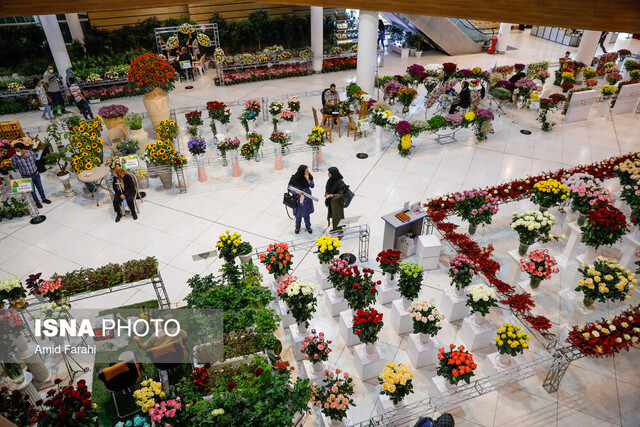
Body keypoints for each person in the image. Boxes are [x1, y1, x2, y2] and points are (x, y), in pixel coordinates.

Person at [133, 312, 187, 391]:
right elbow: (185, 338)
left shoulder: (155, 336)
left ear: (162, 323)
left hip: (161, 364)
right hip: (179, 359)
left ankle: (166, 385)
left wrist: (138, 340)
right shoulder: (180, 332)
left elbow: (144, 348)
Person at [11, 142, 51, 208]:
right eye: (16, 150)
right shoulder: (14, 157)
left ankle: (44, 199)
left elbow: (34, 159)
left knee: (40, 187)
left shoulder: (30, 153)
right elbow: (14, 166)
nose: (16, 152)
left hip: (35, 174)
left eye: (18, 150)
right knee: (32, 191)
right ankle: (37, 202)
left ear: (22, 149)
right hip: (26, 176)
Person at [288, 165, 314, 234]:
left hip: (307, 198)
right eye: (306, 171)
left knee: (306, 214)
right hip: (298, 199)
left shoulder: (309, 176)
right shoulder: (294, 178)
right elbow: (289, 188)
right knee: (298, 215)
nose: (308, 172)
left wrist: (308, 180)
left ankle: (308, 226)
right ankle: (297, 227)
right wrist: (297, 192)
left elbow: (312, 185)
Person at [325, 166, 346, 233]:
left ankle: (340, 230)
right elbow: (328, 188)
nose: (328, 173)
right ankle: (335, 228)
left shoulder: (340, 183)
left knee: (337, 217)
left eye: (329, 172)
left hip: (337, 203)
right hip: (332, 202)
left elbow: (340, 194)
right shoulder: (331, 180)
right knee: (334, 216)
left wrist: (332, 195)